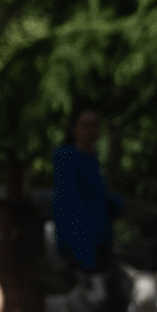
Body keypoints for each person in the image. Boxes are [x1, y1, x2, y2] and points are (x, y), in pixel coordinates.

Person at [52, 108, 122, 274]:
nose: (92, 131)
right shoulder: (66, 159)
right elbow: (70, 207)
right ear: (74, 129)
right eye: (86, 126)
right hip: (81, 247)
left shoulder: (93, 160)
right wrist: (84, 253)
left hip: (101, 242)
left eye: (95, 126)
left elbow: (98, 197)